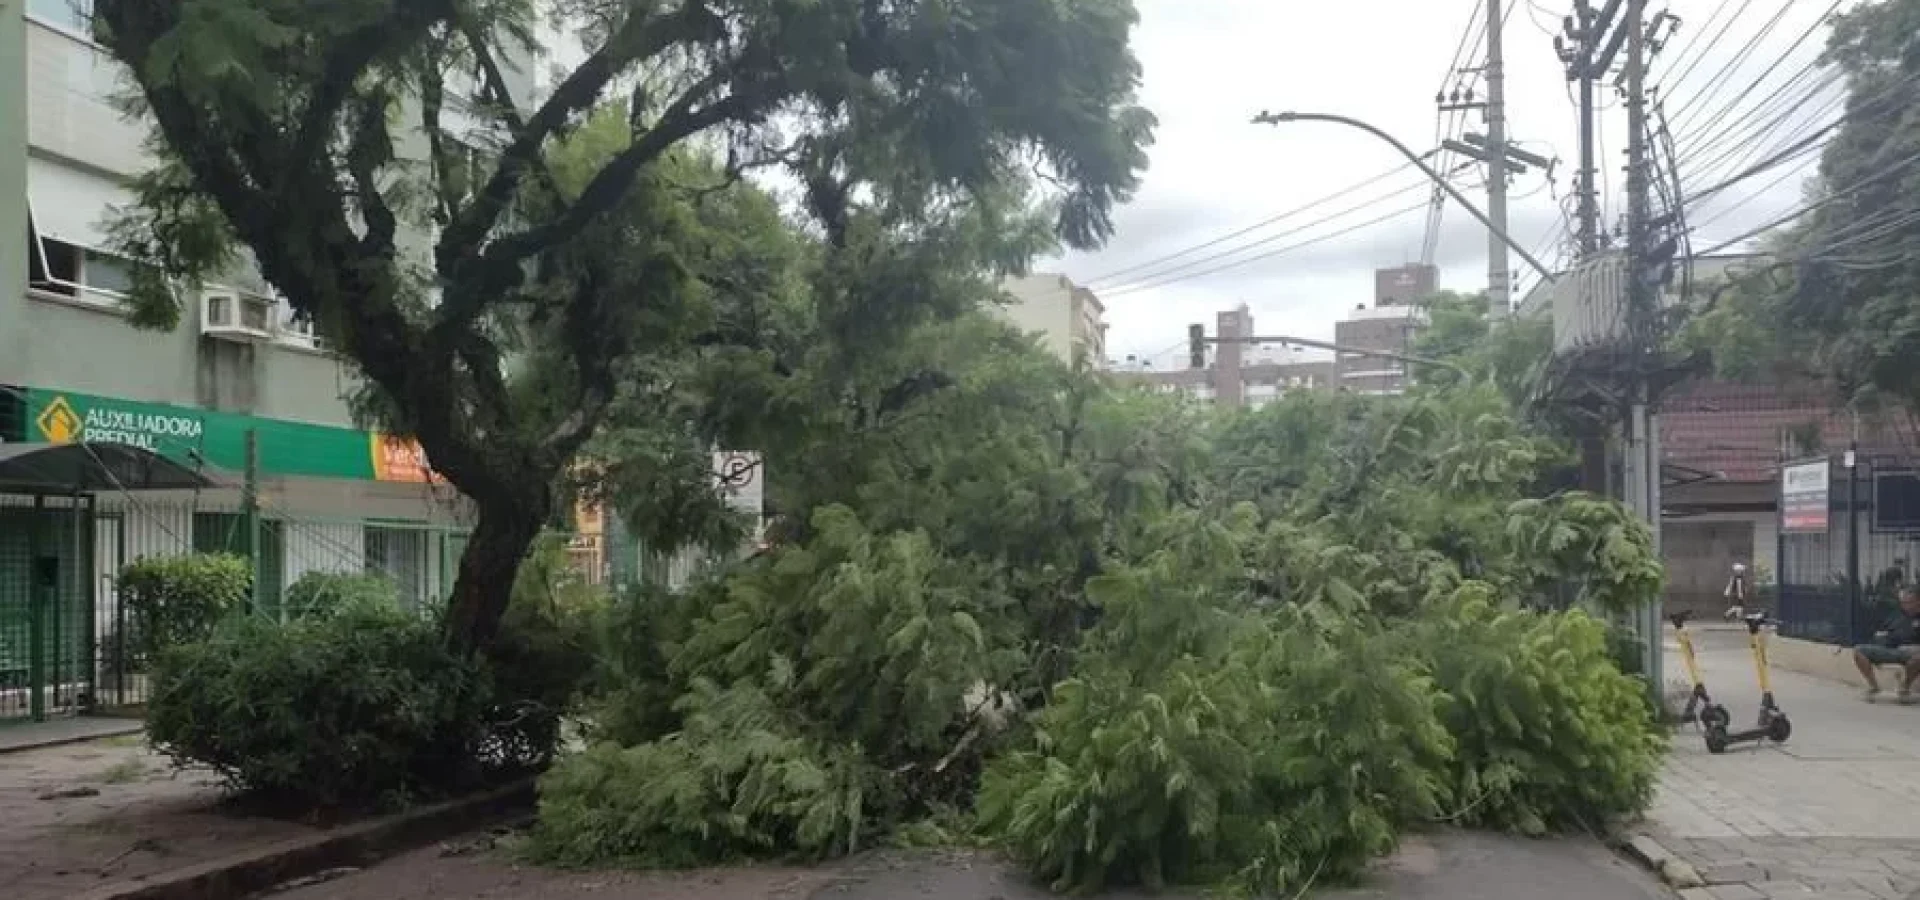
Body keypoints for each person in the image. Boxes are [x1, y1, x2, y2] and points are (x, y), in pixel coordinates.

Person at [1853, 585, 1920, 702]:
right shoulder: (1897, 616)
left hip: (1912, 652)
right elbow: (1885, 631)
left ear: (1918, 601)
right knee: (1859, 651)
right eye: (1903, 603)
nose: (1906, 606)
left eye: (1909, 602)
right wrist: (1881, 636)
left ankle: (1905, 687)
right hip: (1891, 649)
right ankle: (1873, 686)